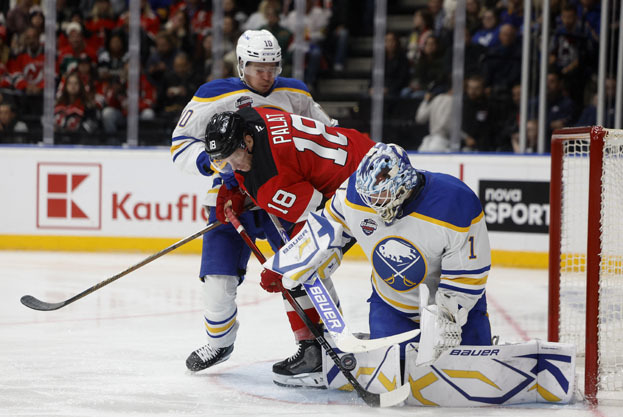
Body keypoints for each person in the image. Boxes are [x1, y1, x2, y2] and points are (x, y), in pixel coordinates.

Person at [170, 29, 339, 387]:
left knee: (301, 268)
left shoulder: (295, 92)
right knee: (217, 277)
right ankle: (219, 343)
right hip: (231, 197)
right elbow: (181, 144)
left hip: (282, 193)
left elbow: (326, 133)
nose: (267, 74)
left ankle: (315, 345)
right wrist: (220, 166)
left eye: (273, 66)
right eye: (259, 67)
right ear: (242, 64)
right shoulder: (215, 94)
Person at [265, 142, 492, 366]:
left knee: (472, 371)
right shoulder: (354, 193)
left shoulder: (455, 202)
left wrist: (449, 316)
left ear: (403, 184)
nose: (372, 204)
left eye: (380, 195)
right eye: (368, 197)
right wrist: (286, 263)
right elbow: (324, 230)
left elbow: (467, 276)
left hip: (456, 308)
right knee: (392, 373)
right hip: (392, 306)